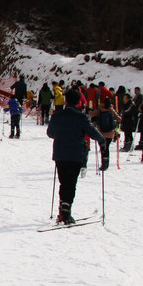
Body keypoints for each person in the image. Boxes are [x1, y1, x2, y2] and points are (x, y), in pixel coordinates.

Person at [47, 89, 105, 224]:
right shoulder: (81, 117)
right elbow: (92, 132)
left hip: (60, 153)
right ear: (79, 101)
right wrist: (102, 141)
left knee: (63, 183)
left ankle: (63, 209)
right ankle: (66, 212)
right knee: (70, 183)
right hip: (75, 154)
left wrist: (61, 134)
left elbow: (50, 133)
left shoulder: (57, 115)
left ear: (66, 100)